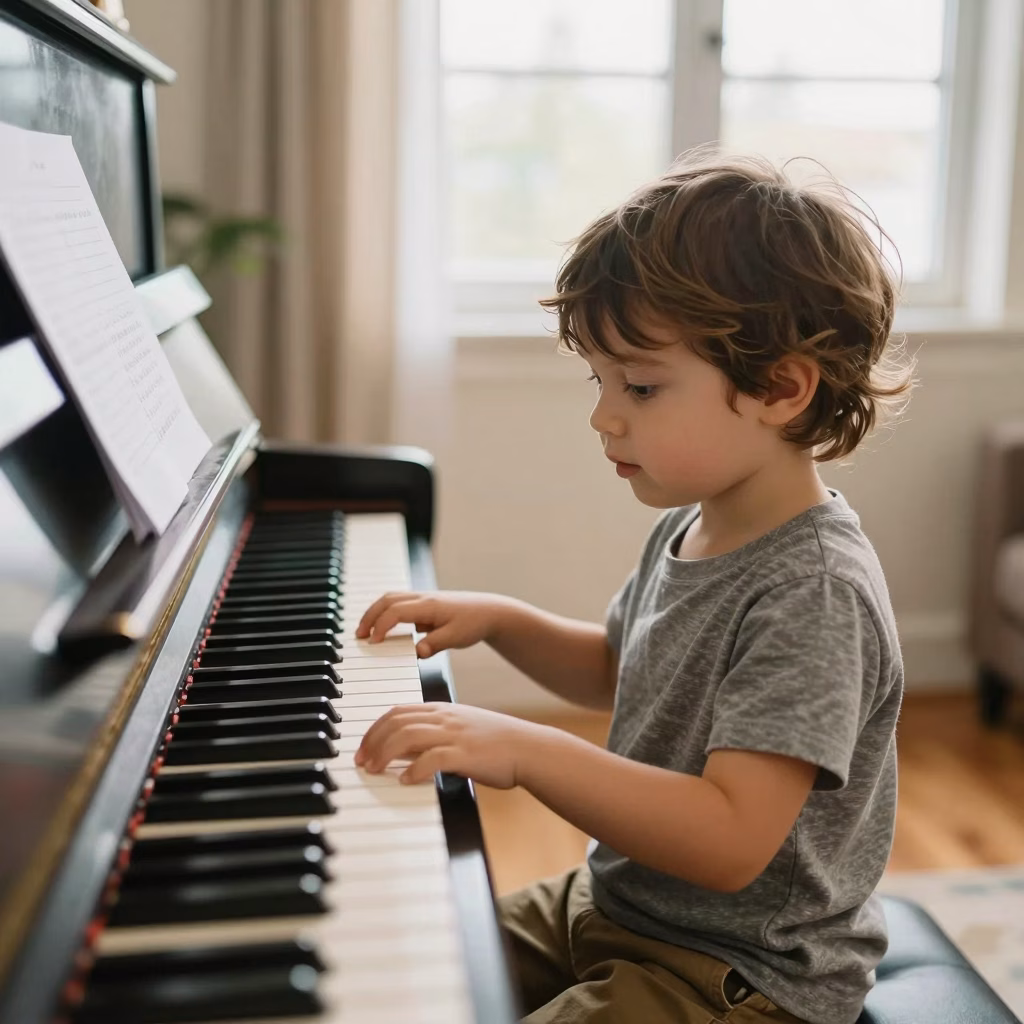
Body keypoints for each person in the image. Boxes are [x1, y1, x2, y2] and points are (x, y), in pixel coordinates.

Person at [354, 147, 914, 1024]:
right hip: (613, 906)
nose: (604, 414)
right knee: (397, 971)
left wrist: (529, 750)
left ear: (780, 387)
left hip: (737, 975)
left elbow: (732, 839)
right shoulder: (690, 524)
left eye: (641, 387)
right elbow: (621, 672)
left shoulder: (813, 591)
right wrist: (502, 620)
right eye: (601, 380)